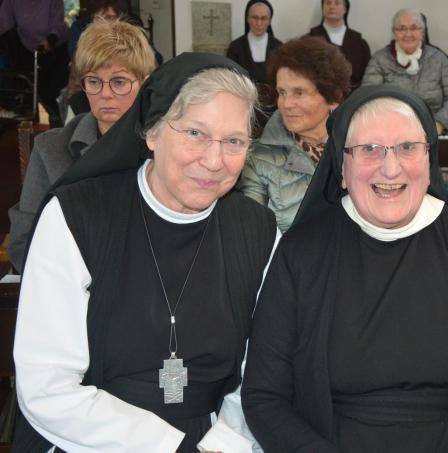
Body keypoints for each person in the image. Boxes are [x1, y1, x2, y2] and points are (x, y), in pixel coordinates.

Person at [13, 52, 279, 453]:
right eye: (195, 133)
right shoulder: (76, 217)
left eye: (233, 141)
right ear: (152, 132)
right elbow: (47, 384)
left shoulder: (257, 230)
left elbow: (267, 369)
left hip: (216, 439)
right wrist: (168, 446)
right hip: (93, 438)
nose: (214, 160)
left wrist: (224, 443)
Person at [241, 85, 448, 452]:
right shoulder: (301, 253)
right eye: (369, 149)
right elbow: (264, 396)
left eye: (407, 147)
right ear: (341, 168)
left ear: (429, 159)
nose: (390, 167)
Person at [7, 18, 156, 272]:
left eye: (119, 82)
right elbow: (23, 243)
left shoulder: (164, 145)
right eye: (94, 81)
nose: (105, 94)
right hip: (71, 284)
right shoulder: (50, 149)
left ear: (144, 84)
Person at [238, 36, 351, 232]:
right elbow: (251, 233)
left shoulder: (359, 147)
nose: (286, 104)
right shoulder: (259, 158)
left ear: (332, 97)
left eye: (299, 93)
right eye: (282, 92)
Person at [361, 8, 448, 134]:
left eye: (414, 28)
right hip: (390, 129)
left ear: (422, 32)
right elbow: (368, 98)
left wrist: (438, 125)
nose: (408, 34)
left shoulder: (439, 59)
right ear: (394, 33)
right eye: (402, 29)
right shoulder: (379, 59)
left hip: (432, 128)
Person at [0, 0, 70, 125]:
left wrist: (50, 40)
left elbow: (58, 25)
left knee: (53, 94)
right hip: (29, 48)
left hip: (56, 47)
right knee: (34, 90)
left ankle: (62, 124)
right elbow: (3, 23)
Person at [307, 0, 371, 91]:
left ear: (345, 9)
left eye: (337, 3)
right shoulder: (308, 41)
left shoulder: (360, 44)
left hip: (353, 95)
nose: (332, 6)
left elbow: (367, 78)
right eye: (328, 3)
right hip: (318, 94)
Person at [225, 0, 281, 85]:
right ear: (247, 19)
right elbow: (230, 77)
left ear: (269, 21)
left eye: (263, 18)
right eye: (255, 17)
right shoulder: (235, 47)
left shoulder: (279, 47)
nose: (259, 23)